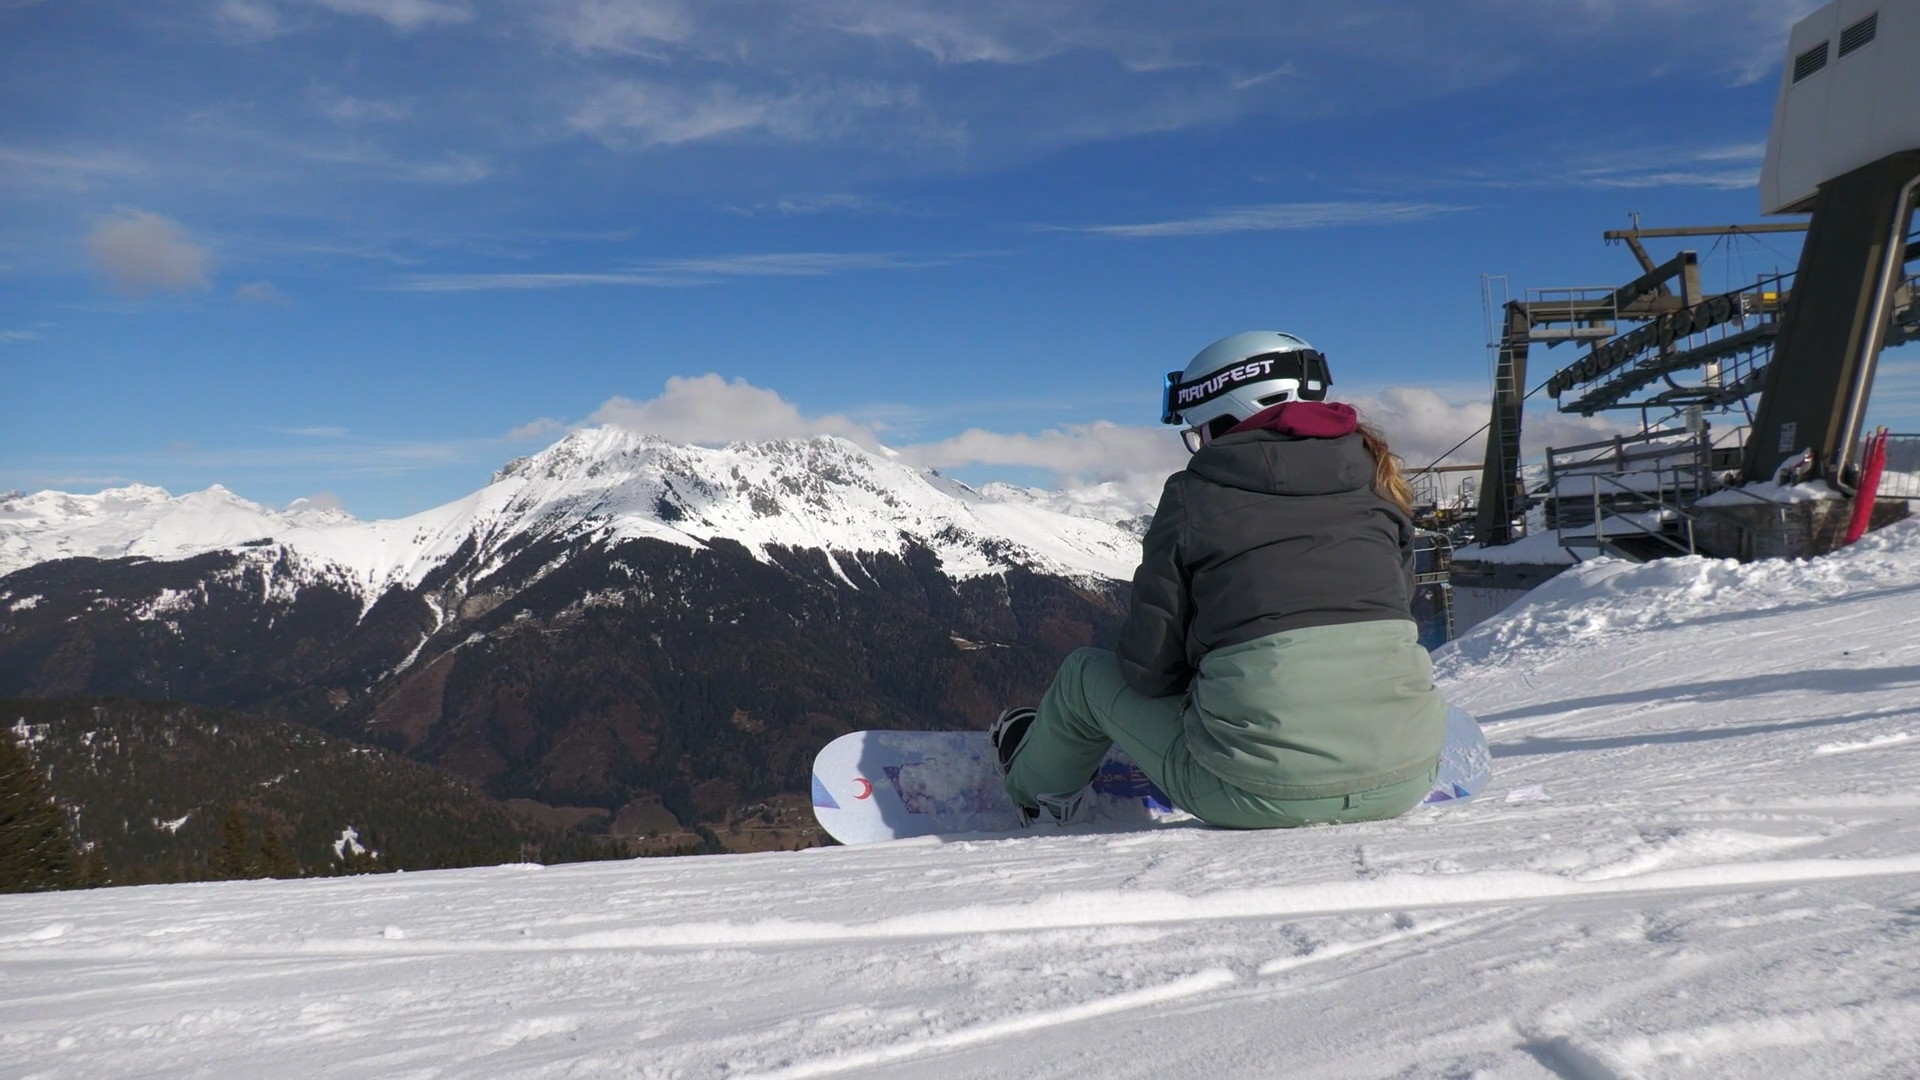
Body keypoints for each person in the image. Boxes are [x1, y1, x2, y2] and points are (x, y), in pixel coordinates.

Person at [991, 330, 1446, 828]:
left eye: (1200, 430)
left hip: (1253, 792)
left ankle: (1035, 789)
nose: (1198, 444)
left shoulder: (1194, 495)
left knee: (1082, 675)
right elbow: (1397, 607)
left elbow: (1149, 667)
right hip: (1407, 779)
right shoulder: (1380, 481)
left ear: (1231, 414)